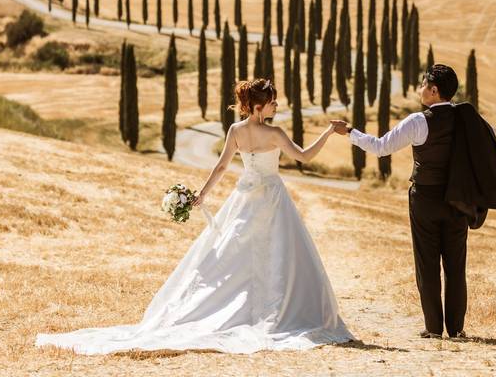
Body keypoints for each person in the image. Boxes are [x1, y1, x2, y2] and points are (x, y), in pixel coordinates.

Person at [36, 78, 353, 355]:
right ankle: (273, 313)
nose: (276, 106)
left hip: (245, 198)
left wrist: (202, 195)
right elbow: (305, 156)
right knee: (281, 257)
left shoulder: (236, 130)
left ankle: (244, 310)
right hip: (272, 199)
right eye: (272, 102)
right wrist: (328, 131)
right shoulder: (276, 133)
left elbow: (221, 167)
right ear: (259, 107)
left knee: (232, 257)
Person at [331, 63, 469, 340]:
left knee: (426, 263)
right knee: (455, 265)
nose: (419, 89)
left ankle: (433, 328)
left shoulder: (418, 121)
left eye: (422, 84)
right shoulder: (467, 119)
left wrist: (350, 132)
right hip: (457, 200)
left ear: (433, 90)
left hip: (426, 199)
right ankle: (456, 329)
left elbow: (381, 147)